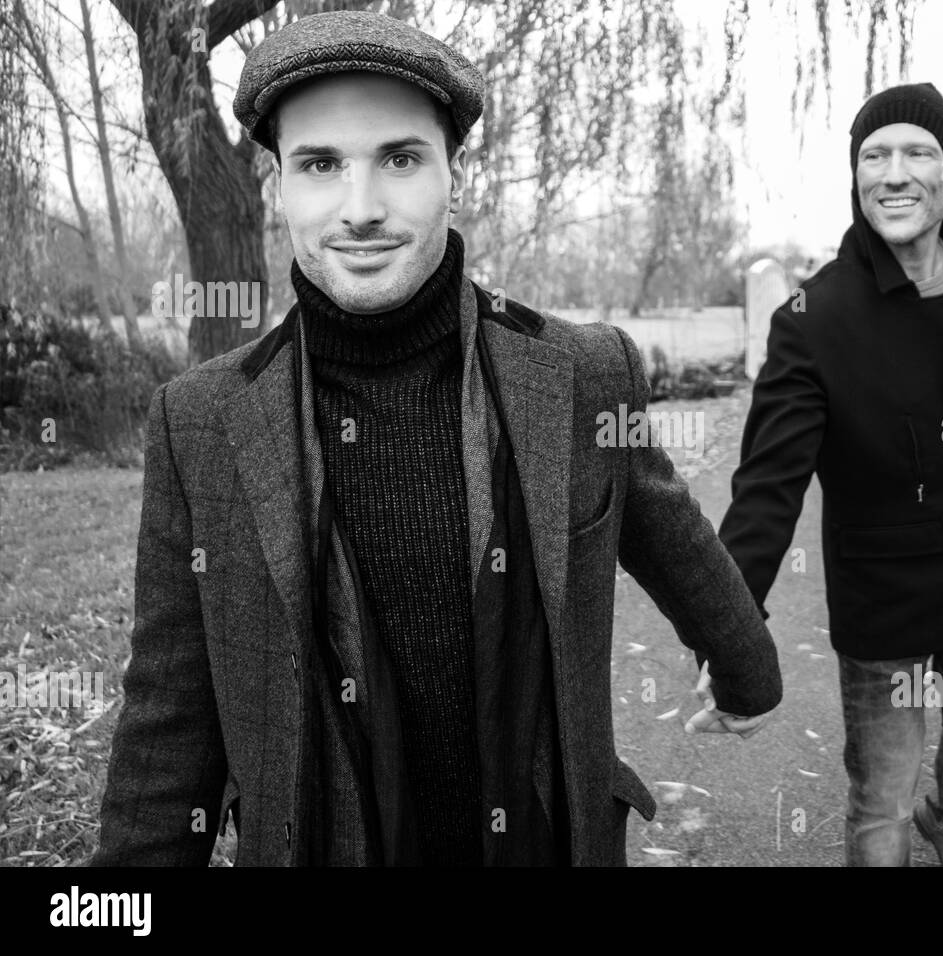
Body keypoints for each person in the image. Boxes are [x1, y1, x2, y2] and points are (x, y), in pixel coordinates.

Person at [92, 10, 780, 867]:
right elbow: (169, 716)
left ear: (456, 173)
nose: (362, 208)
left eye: (400, 158)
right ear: (278, 189)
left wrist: (750, 669)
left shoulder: (582, 373)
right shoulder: (198, 421)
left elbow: (669, 533)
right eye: (319, 165)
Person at [719, 82, 943, 866]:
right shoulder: (814, 318)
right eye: (874, 155)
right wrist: (727, 630)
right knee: (880, 810)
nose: (892, 173)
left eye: (915, 153)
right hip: (886, 609)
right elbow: (768, 485)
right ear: (856, 175)